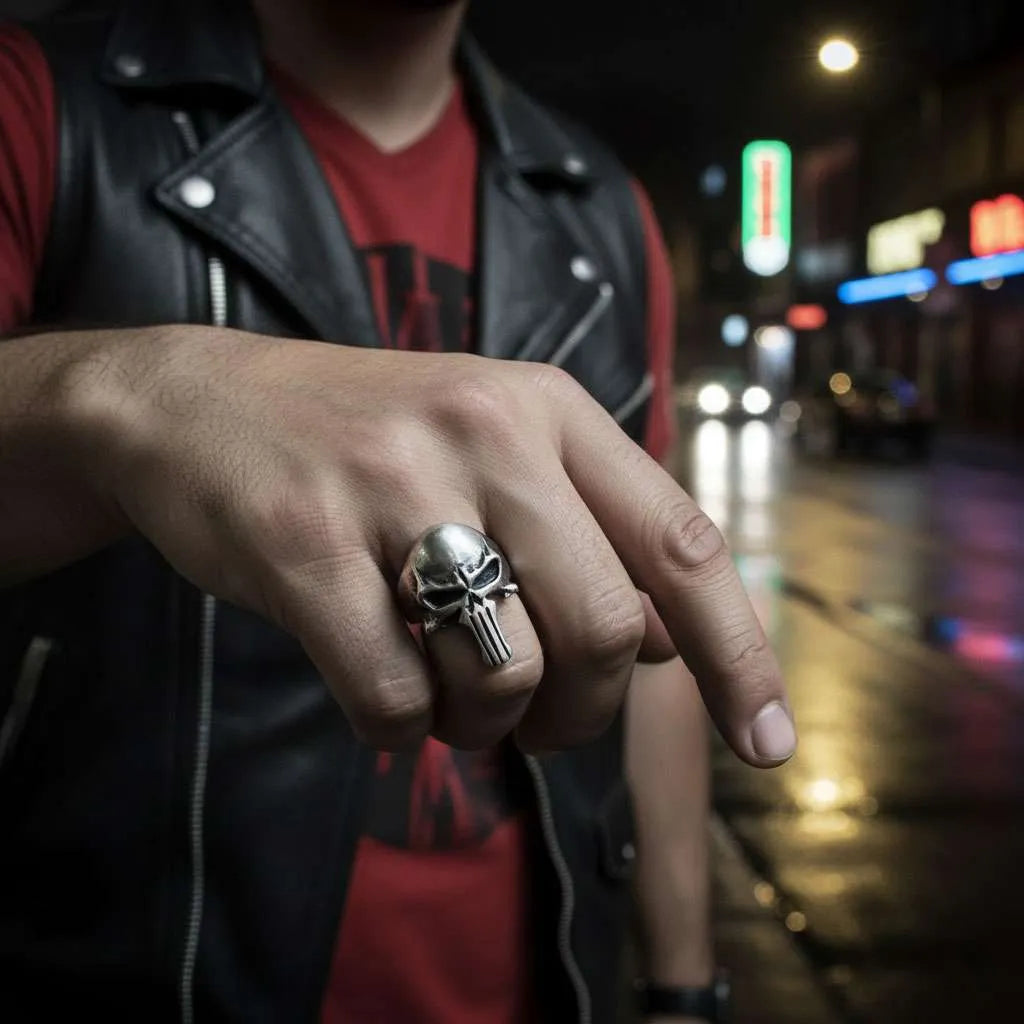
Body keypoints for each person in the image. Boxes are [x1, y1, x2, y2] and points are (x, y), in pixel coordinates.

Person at [0, 0, 796, 1021]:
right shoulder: (43, 99)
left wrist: (682, 985)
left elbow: (649, 631)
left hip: (547, 980)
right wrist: (126, 391)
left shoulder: (600, 207)